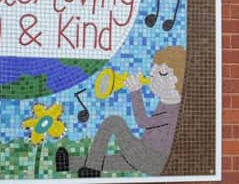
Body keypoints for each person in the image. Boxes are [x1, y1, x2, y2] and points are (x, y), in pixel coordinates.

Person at [56, 46, 186, 177]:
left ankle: (92, 169)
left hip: (153, 160)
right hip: (146, 155)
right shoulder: (166, 101)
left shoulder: (175, 110)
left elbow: (143, 122)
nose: (153, 78)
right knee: (109, 160)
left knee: (114, 122)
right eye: (152, 74)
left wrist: (135, 92)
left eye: (163, 73)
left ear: (179, 78)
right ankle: (68, 164)